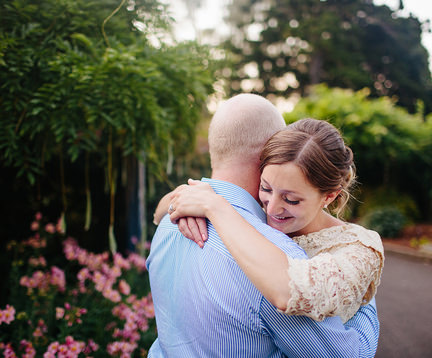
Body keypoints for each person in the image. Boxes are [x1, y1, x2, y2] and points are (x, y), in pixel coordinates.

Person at [145, 94, 379, 356]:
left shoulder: (171, 219)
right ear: (270, 155)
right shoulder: (277, 260)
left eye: (290, 199)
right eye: (268, 188)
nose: (274, 206)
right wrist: (364, 301)